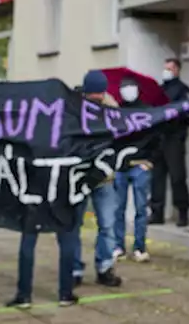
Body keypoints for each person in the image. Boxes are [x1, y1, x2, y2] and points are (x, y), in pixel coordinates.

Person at [73, 70, 123, 287]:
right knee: (73, 224)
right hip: (78, 176)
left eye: (99, 94)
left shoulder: (112, 110)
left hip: (104, 176)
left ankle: (104, 267)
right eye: (93, 94)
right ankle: (74, 268)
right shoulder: (72, 108)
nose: (97, 98)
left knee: (108, 224)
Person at [112, 75, 154, 262]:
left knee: (140, 208)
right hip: (121, 167)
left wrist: (150, 160)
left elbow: (157, 137)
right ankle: (118, 245)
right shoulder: (116, 112)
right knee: (118, 208)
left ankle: (139, 246)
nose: (127, 90)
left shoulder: (147, 111)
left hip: (141, 165)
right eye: (124, 86)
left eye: (130, 86)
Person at [153, 58, 189, 227]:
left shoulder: (182, 90)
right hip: (159, 138)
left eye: (170, 68)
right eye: (165, 68)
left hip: (174, 138)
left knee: (177, 177)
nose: (166, 71)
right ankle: (157, 212)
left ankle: (182, 212)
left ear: (177, 70)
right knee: (157, 178)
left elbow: (186, 112)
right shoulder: (159, 90)